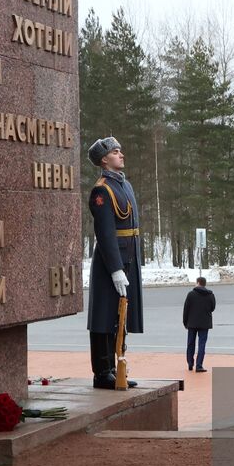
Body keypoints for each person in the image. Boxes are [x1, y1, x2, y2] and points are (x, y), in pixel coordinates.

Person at [86, 136, 142, 389]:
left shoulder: (124, 185)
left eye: (120, 150)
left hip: (127, 258)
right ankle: (103, 372)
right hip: (111, 262)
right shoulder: (102, 190)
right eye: (116, 152)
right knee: (104, 316)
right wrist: (116, 268)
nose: (121, 154)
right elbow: (106, 232)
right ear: (104, 159)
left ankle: (117, 366)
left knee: (120, 316)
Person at [182, 276, 216, 372]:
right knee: (202, 344)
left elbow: (186, 309)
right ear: (204, 284)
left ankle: (190, 363)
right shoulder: (210, 295)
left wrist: (185, 322)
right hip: (205, 323)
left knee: (190, 343)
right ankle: (199, 365)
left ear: (197, 283)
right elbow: (212, 308)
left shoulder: (191, 294)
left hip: (192, 323)